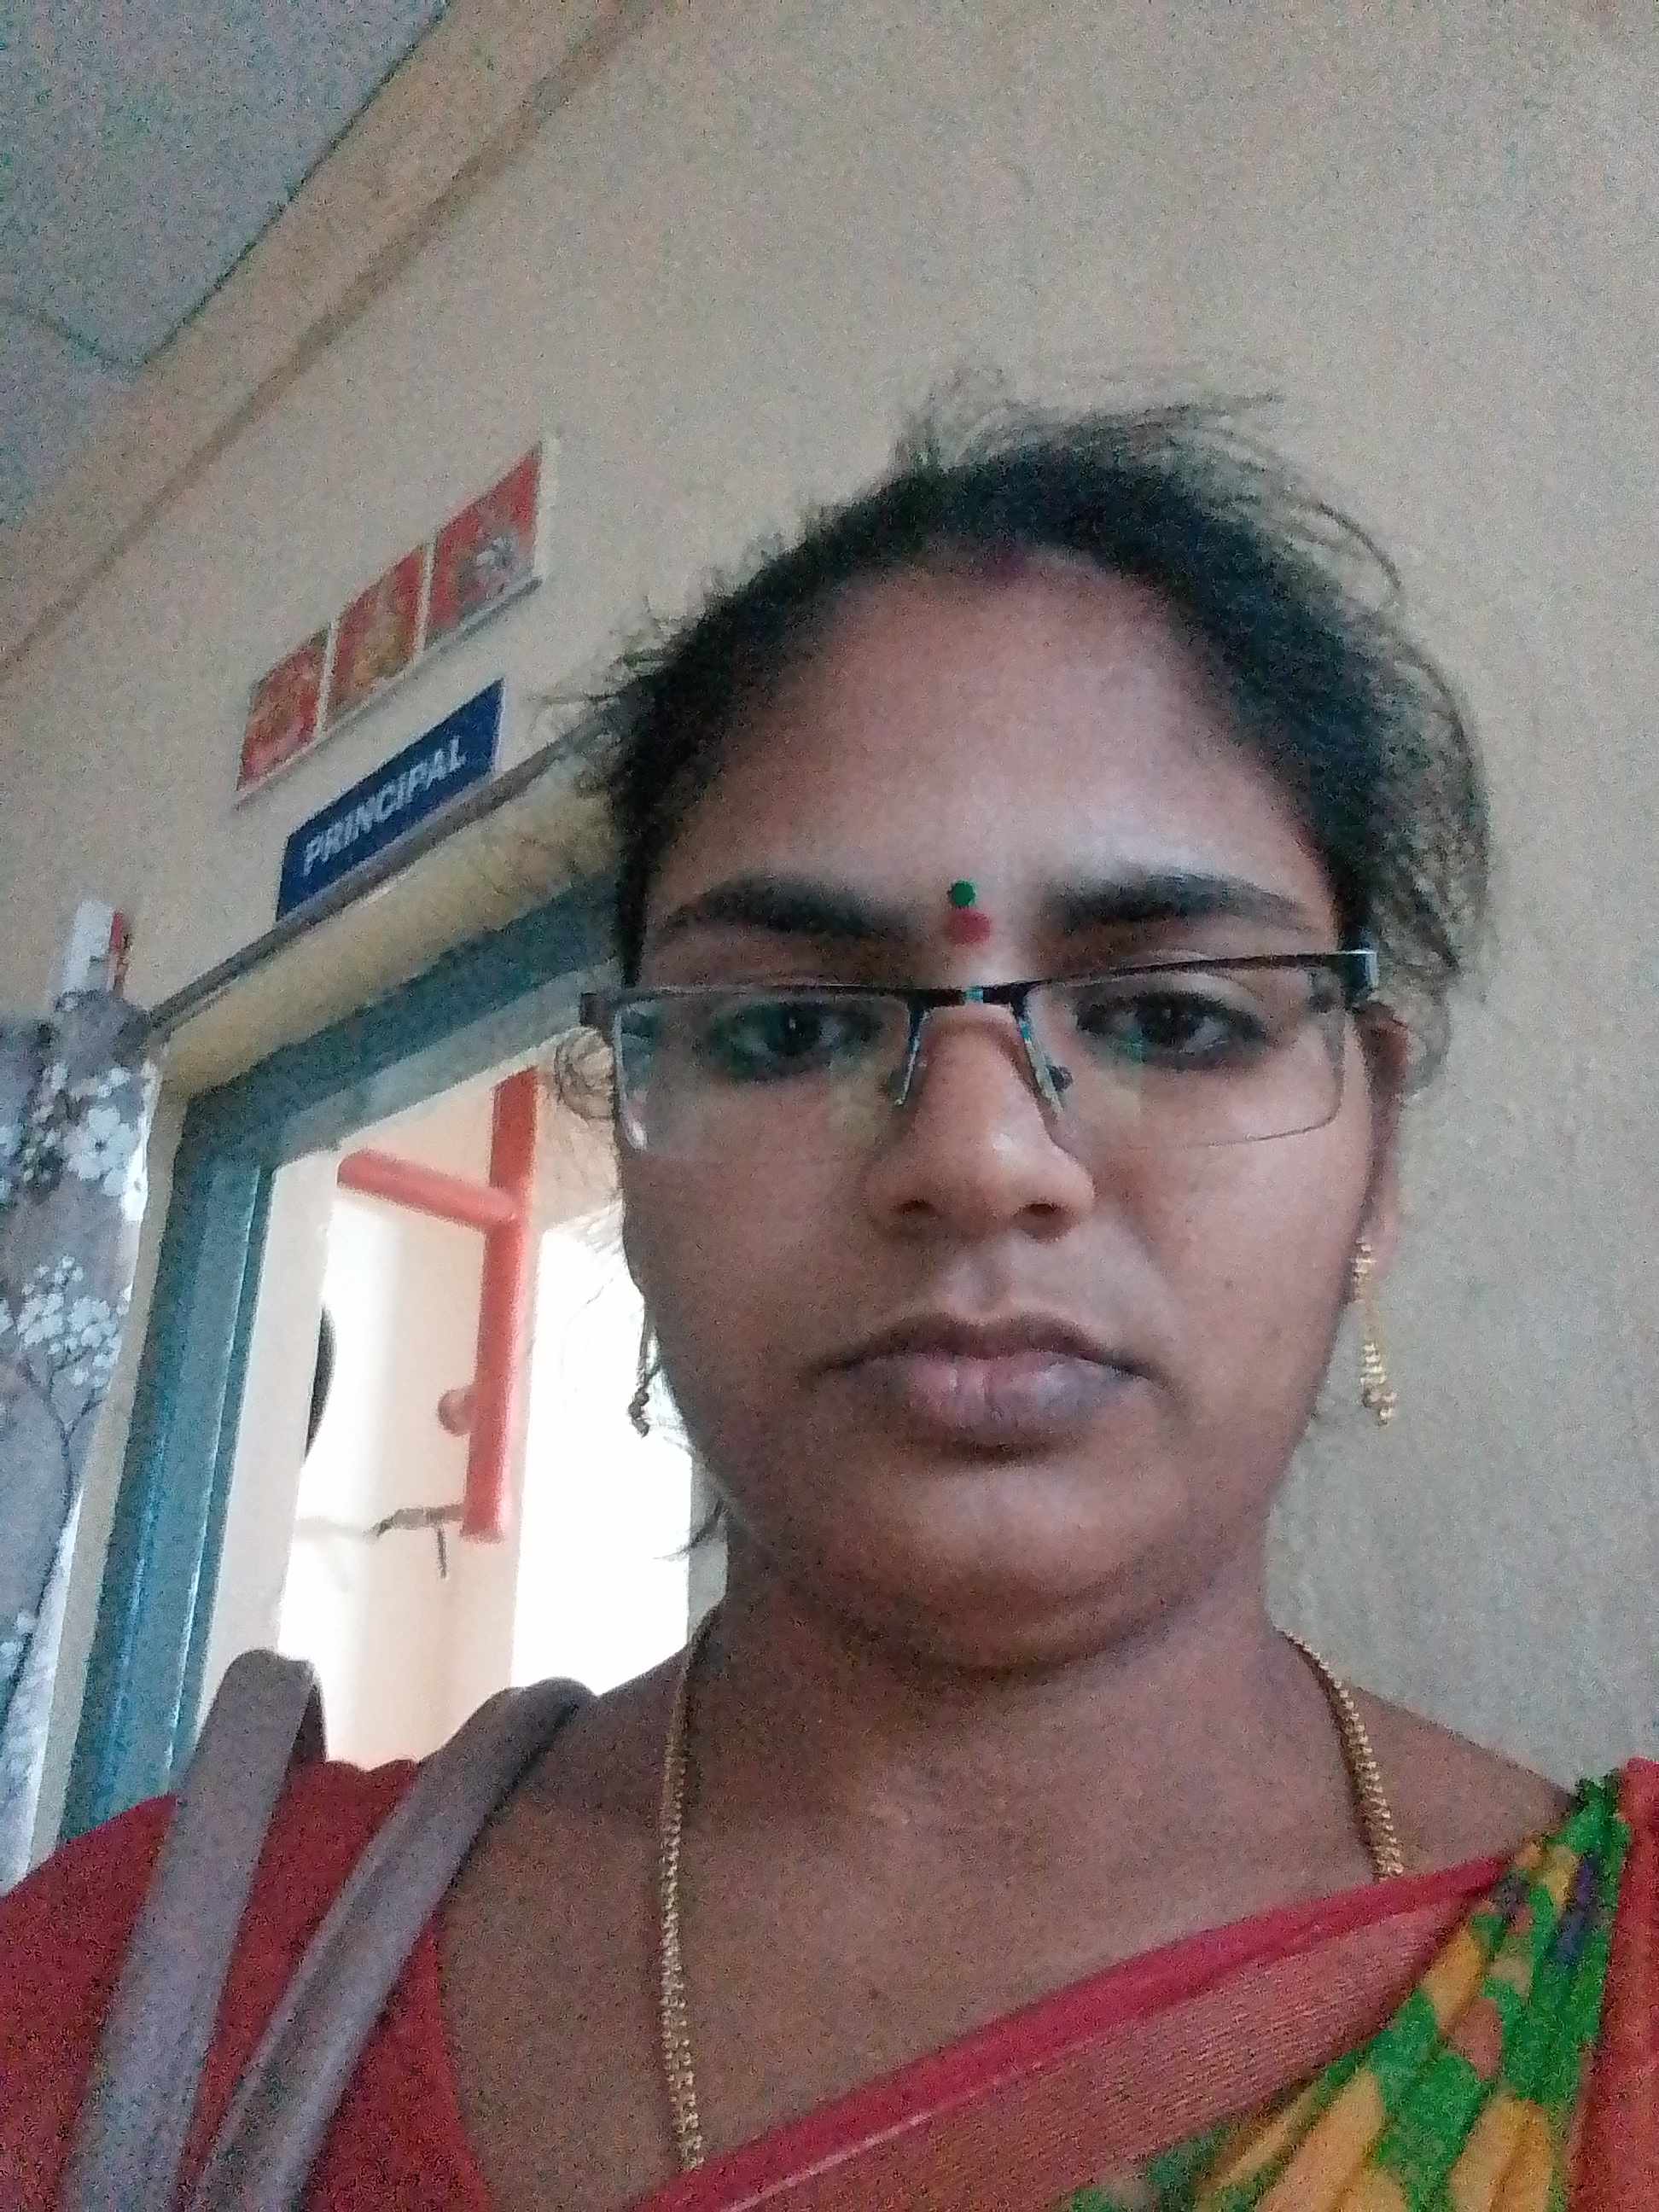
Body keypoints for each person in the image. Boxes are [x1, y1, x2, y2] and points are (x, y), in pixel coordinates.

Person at [2, 396, 1652, 2207]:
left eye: (1170, 1016)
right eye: (790, 1029)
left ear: (1375, 1153)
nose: (980, 1158)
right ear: (629, 1155)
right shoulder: (112, 2002)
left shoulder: (1615, 2006)